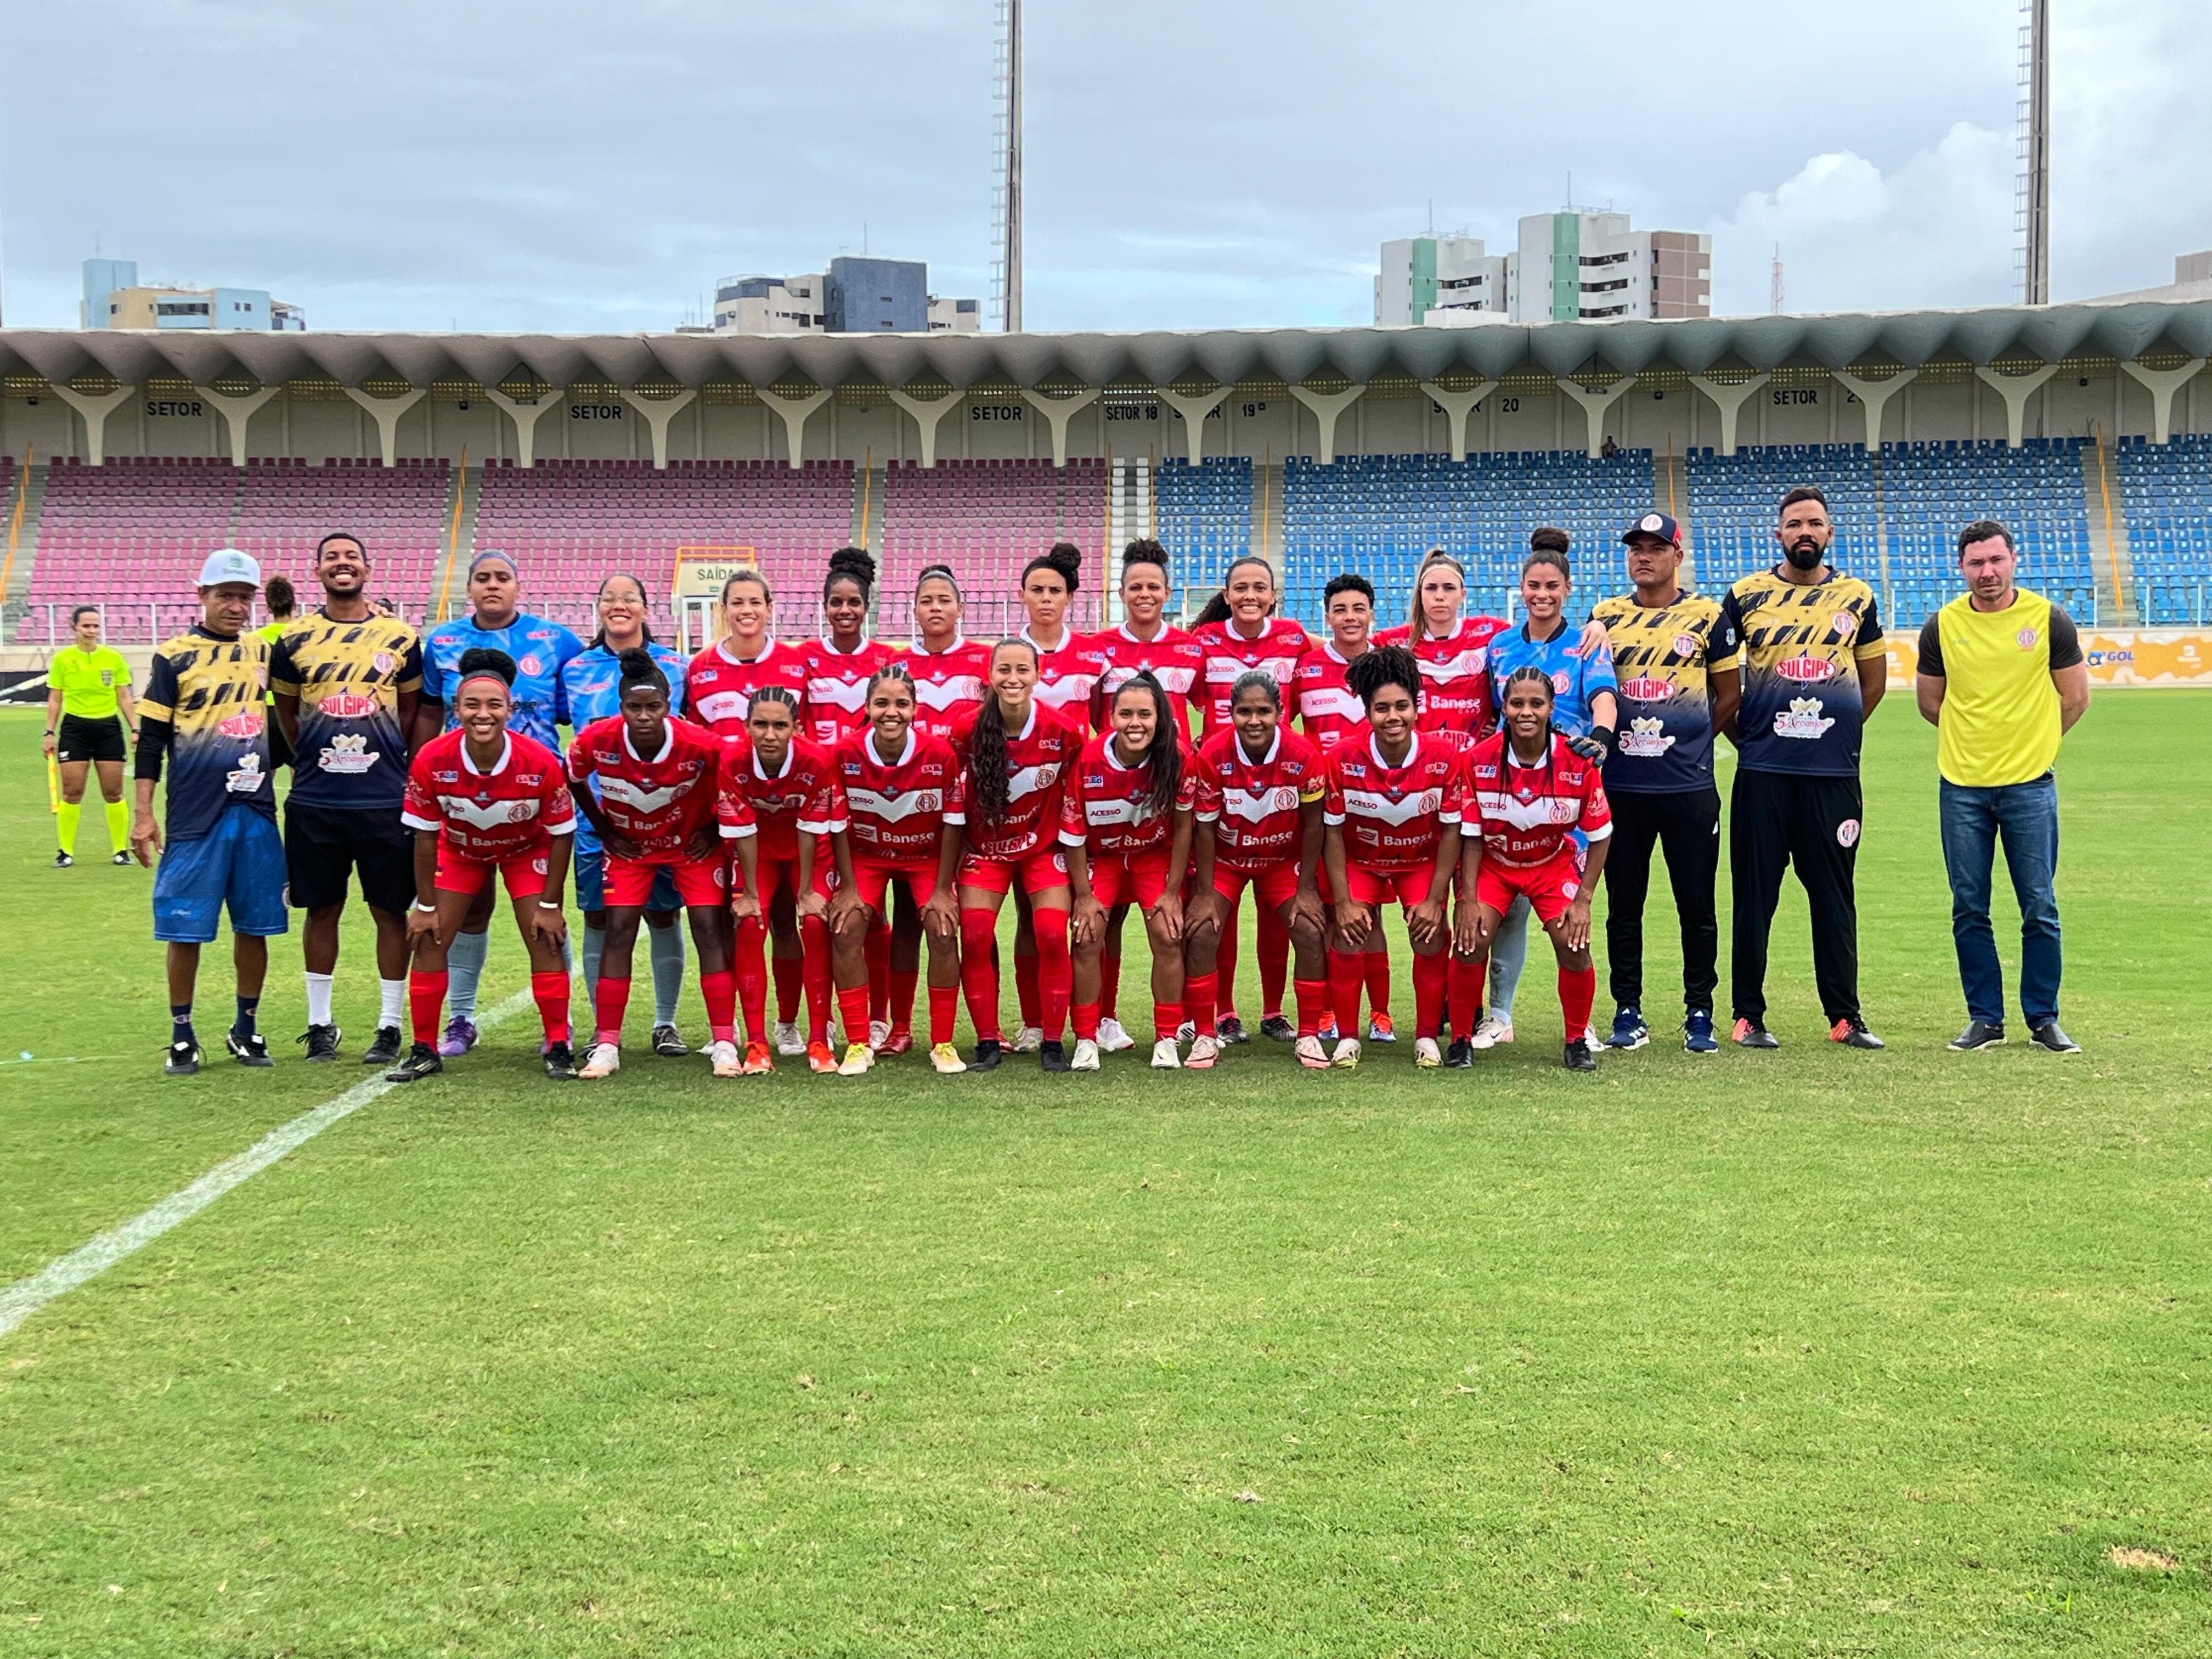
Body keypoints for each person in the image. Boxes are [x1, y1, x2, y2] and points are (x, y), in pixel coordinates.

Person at [1720, 485, 1887, 1050]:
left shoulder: (1857, 596)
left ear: (1829, 533)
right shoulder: (1745, 596)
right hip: (1763, 774)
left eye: (1814, 523)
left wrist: (1832, 732)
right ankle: (1747, 1015)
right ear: (1779, 535)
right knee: (1754, 896)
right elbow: (1719, 679)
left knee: (1834, 896)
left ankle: (1844, 1017)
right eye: (1794, 525)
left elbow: (1874, 680)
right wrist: (1754, 740)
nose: (1804, 533)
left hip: (1832, 776)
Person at [1915, 518, 2090, 1054]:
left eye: (1995, 560)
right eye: (1976, 563)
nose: (1987, 572)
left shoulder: (2048, 619)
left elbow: (2076, 697)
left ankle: (2043, 1017)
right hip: (1963, 788)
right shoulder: (1941, 626)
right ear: (1961, 567)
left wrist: (2030, 744)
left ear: (2014, 560)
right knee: (1970, 905)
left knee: (2039, 905)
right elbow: (1930, 702)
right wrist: (1978, 744)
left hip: (2030, 788)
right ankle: (1985, 1017)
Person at [416, 551, 585, 1057]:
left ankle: (561, 1027)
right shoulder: (442, 641)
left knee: (544, 919)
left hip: (533, 796)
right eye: (483, 578)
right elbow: (426, 708)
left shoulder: (556, 639)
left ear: (518, 585)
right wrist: (419, 768)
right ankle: (459, 1021)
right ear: (469, 588)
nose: (493, 586)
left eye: (503, 577)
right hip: (461, 794)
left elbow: (580, 696)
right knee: (465, 916)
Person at [268, 532, 424, 1066]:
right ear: (317, 571)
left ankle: (388, 1025)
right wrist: (314, 757)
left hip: (383, 799)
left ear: (367, 568)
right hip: (317, 800)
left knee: (389, 910)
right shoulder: (293, 641)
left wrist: (384, 760)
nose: (342, 565)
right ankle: (319, 1025)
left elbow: (410, 715)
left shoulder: (400, 638)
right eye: (332, 558)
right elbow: (286, 717)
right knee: (321, 910)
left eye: (351, 557)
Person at [1588, 511, 1740, 1056]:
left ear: (1677, 555)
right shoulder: (1603, 616)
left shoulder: (1707, 615)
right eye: (1636, 548)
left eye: (1656, 548)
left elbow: (1728, 694)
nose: (1643, 556)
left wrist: (1692, 743)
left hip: (1688, 790)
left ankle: (1700, 1011)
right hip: (1621, 789)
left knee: (1696, 905)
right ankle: (1627, 1009)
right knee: (1623, 906)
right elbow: (1589, 689)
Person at [132, 549, 289, 1075]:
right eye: (226, 595)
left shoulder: (265, 653)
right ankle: (182, 1033)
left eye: (245, 597)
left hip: (256, 810)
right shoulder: (173, 655)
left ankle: (245, 1028)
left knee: (257, 925)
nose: (237, 606)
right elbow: (151, 739)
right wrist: (143, 813)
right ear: (202, 595)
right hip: (196, 815)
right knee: (184, 929)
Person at [390, 648, 579, 1082]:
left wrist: (550, 905)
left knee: (545, 937)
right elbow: (424, 836)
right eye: (471, 705)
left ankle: (557, 1044)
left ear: (510, 710)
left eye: (494, 705)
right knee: (431, 937)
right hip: (460, 850)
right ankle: (423, 1048)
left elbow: (562, 833)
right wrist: (424, 904)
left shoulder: (539, 762)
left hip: (524, 850)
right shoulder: (432, 759)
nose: (483, 714)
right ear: (455, 710)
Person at [563, 650, 752, 1079]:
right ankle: (607, 1044)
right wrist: (605, 831)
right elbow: (572, 776)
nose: (644, 716)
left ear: (669, 706)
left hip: (690, 847)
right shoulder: (597, 740)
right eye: (635, 707)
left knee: (708, 927)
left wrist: (718, 831)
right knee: (619, 930)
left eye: (654, 707)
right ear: (621, 706)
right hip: (632, 848)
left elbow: (738, 777)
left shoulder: (701, 743)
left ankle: (724, 1040)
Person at [1476, 533, 1618, 1054]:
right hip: (1510, 790)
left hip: (1570, 792)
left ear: (1567, 589)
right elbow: (1491, 717)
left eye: (1552, 586)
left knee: (1571, 911)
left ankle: (1582, 1026)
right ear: (1521, 588)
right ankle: (1499, 1015)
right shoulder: (1499, 646)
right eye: (1534, 585)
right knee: (1506, 907)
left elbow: (1604, 697)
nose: (1542, 594)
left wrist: (1599, 740)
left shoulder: (1587, 641)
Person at [1454, 667, 1616, 1072]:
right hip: (1495, 863)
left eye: (1536, 703)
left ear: (1550, 708)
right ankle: (1460, 1039)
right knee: (1471, 940)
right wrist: (1467, 900)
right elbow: (1471, 838)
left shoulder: (1577, 762)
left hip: (1550, 864)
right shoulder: (1477, 761)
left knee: (1574, 944)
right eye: (1517, 703)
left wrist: (1583, 900)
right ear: (1504, 708)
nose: (1526, 712)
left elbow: (1600, 835)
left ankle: (1577, 1039)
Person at [561, 574, 695, 1060]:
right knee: (599, 917)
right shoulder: (574, 668)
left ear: (645, 607)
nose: (619, 605)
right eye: (609, 598)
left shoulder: (678, 667)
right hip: (599, 822)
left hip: (664, 818)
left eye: (629, 598)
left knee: (664, 914)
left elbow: (692, 738)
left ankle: (666, 1023)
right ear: (597, 608)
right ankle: (603, 1029)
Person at [1320, 646, 1465, 1069]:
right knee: (1348, 934)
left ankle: (1425, 1037)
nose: (1393, 717)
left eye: (1402, 706)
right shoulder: (1343, 758)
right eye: (1382, 708)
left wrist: (1436, 900)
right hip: (1360, 861)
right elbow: (1331, 831)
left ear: (1417, 708)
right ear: (1367, 712)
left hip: (1419, 862)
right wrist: (1344, 901)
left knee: (1432, 935)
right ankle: (1348, 1038)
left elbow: (1453, 829)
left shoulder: (1443, 757)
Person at [687, 569, 813, 1054]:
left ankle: (785, 1024)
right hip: (724, 817)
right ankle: (731, 1027)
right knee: (729, 923)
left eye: (755, 602)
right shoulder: (700, 668)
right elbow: (696, 747)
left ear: (769, 607)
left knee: (782, 920)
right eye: (737, 602)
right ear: (723, 609)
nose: (746, 611)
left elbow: (810, 738)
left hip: (783, 819)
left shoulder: (794, 663)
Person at [1089, 539, 1205, 1054]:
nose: (1144, 594)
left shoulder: (1190, 648)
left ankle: (1180, 1022)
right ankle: (1105, 1019)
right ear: (1121, 592)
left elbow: (1210, 707)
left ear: (1166, 593)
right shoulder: (1099, 649)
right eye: (1135, 586)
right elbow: (1093, 716)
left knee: (1173, 921)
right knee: (1104, 920)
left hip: (1167, 798)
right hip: (1112, 797)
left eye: (1153, 587)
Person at [946, 638, 1083, 1072]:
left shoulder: (1064, 731)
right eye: (1004, 670)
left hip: (1043, 849)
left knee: (1048, 931)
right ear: (989, 675)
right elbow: (952, 794)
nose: (1013, 678)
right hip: (986, 850)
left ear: (1038, 675)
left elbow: (1077, 795)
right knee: (975, 935)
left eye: (1022, 670)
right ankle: (987, 1041)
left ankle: (1053, 1042)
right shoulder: (966, 730)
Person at [825, 667, 968, 1075]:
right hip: (866, 857)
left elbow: (953, 823)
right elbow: (836, 823)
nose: (892, 712)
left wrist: (943, 889)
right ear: (867, 707)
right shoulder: (844, 753)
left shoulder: (939, 755)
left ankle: (942, 1043)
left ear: (915, 709)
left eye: (901, 704)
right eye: (882, 703)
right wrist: (848, 888)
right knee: (846, 926)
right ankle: (856, 1043)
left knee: (942, 928)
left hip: (923, 857)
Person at [1192, 554, 1310, 1045]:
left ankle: (1273, 1010)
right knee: (1221, 911)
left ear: (1273, 595)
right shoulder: (1203, 642)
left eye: (1259, 587)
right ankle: (1223, 1012)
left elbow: (1344, 652)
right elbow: (1183, 691)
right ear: (1226, 593)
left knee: (1274, 912)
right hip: (1222, 786)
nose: (1250, 596)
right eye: (1240, 587)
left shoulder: (1295, 638)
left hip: (1278, 785)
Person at [1189, 669, 1331, 1070]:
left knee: (1308, 928)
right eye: (1244, 712)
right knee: (1202, 930)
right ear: (1230, 713)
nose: (1254, 721)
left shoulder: (1304, 755)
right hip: (1226, 861)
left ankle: (1308, 1036)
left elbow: (1315, 825)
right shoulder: (1213, 755)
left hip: (1281, 862)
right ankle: (1204, 1035)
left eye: (1264, 711)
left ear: (1281, 713)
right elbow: (1203, 827)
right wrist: (1203, 894)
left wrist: (1306, 889)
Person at [1062, 673, 1196, 1070]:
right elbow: (1074, 834)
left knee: (1168, 934)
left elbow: (1186, 826)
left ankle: (1167, 1039)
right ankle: (1087, 1038)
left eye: (1144, 714)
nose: (1135, 723)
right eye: (1125, 714)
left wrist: (1172, 892)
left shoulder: (1178, 758)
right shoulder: (1089, 760)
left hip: (1152, 858)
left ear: (1160, 719)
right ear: (1111, 718)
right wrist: (1083, 897)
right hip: (1102, 860)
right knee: (1087, 937)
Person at [715, 685, 844, 1074]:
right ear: (746, 727)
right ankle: (757, 1046)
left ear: (797, 728)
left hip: (810, 849)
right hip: (758, 852)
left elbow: (812, 827)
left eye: (780, 726)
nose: (770, 735)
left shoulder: (817, 760)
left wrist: (807, 893)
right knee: (752, 925)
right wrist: (750, 894)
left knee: (815, 924)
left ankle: (818, 1041)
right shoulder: (732, 760)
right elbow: (743, 829)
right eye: (761, 725)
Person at [800, 548, 900, 1049]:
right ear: (825, 606)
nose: (845, 611)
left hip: (871, 801)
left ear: (866, 607)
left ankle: (878, 1018)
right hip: (818, 805)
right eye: (836, 602)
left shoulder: (887, 660)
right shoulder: (803, 659)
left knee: (874, 914)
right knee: (825, 918)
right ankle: (826, 1022)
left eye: (853, 603)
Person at [890, 563, 992, 1050]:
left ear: (960, 608)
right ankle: (901, 1027)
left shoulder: (983, 660)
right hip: (909, 811)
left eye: (944, 600)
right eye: (927, 600)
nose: (936, 608)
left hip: (972, 811)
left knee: (976, 918)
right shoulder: (895, 666)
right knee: (909, 922)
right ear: (914, 609)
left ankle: (986, 1030)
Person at [1291, 572, 1385, 1046]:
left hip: (1379, 809)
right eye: (1340, 610)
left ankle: (1380, 1014)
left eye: (1358, 609)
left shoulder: (1390, 662)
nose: (1350, 618)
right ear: (1326, 617)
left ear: (1373, 614)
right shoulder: (1305, 667)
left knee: (1374, 916)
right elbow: (1279, 728)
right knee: (1329, 913)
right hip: (1322, 813)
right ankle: (1327, 1010)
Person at [44, 603, 137, 868]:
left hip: (108, 728)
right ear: (74, 627)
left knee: (114, 792)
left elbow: (124, 696)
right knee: (72, 792)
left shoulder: (113, 657)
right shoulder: (62, 659)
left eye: (96, 625)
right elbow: (55, 699)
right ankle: (65, 852)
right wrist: (49, 733)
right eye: (87, 625)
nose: (92, 630)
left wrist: (135, 728)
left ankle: (120, 850)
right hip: (75, 729)